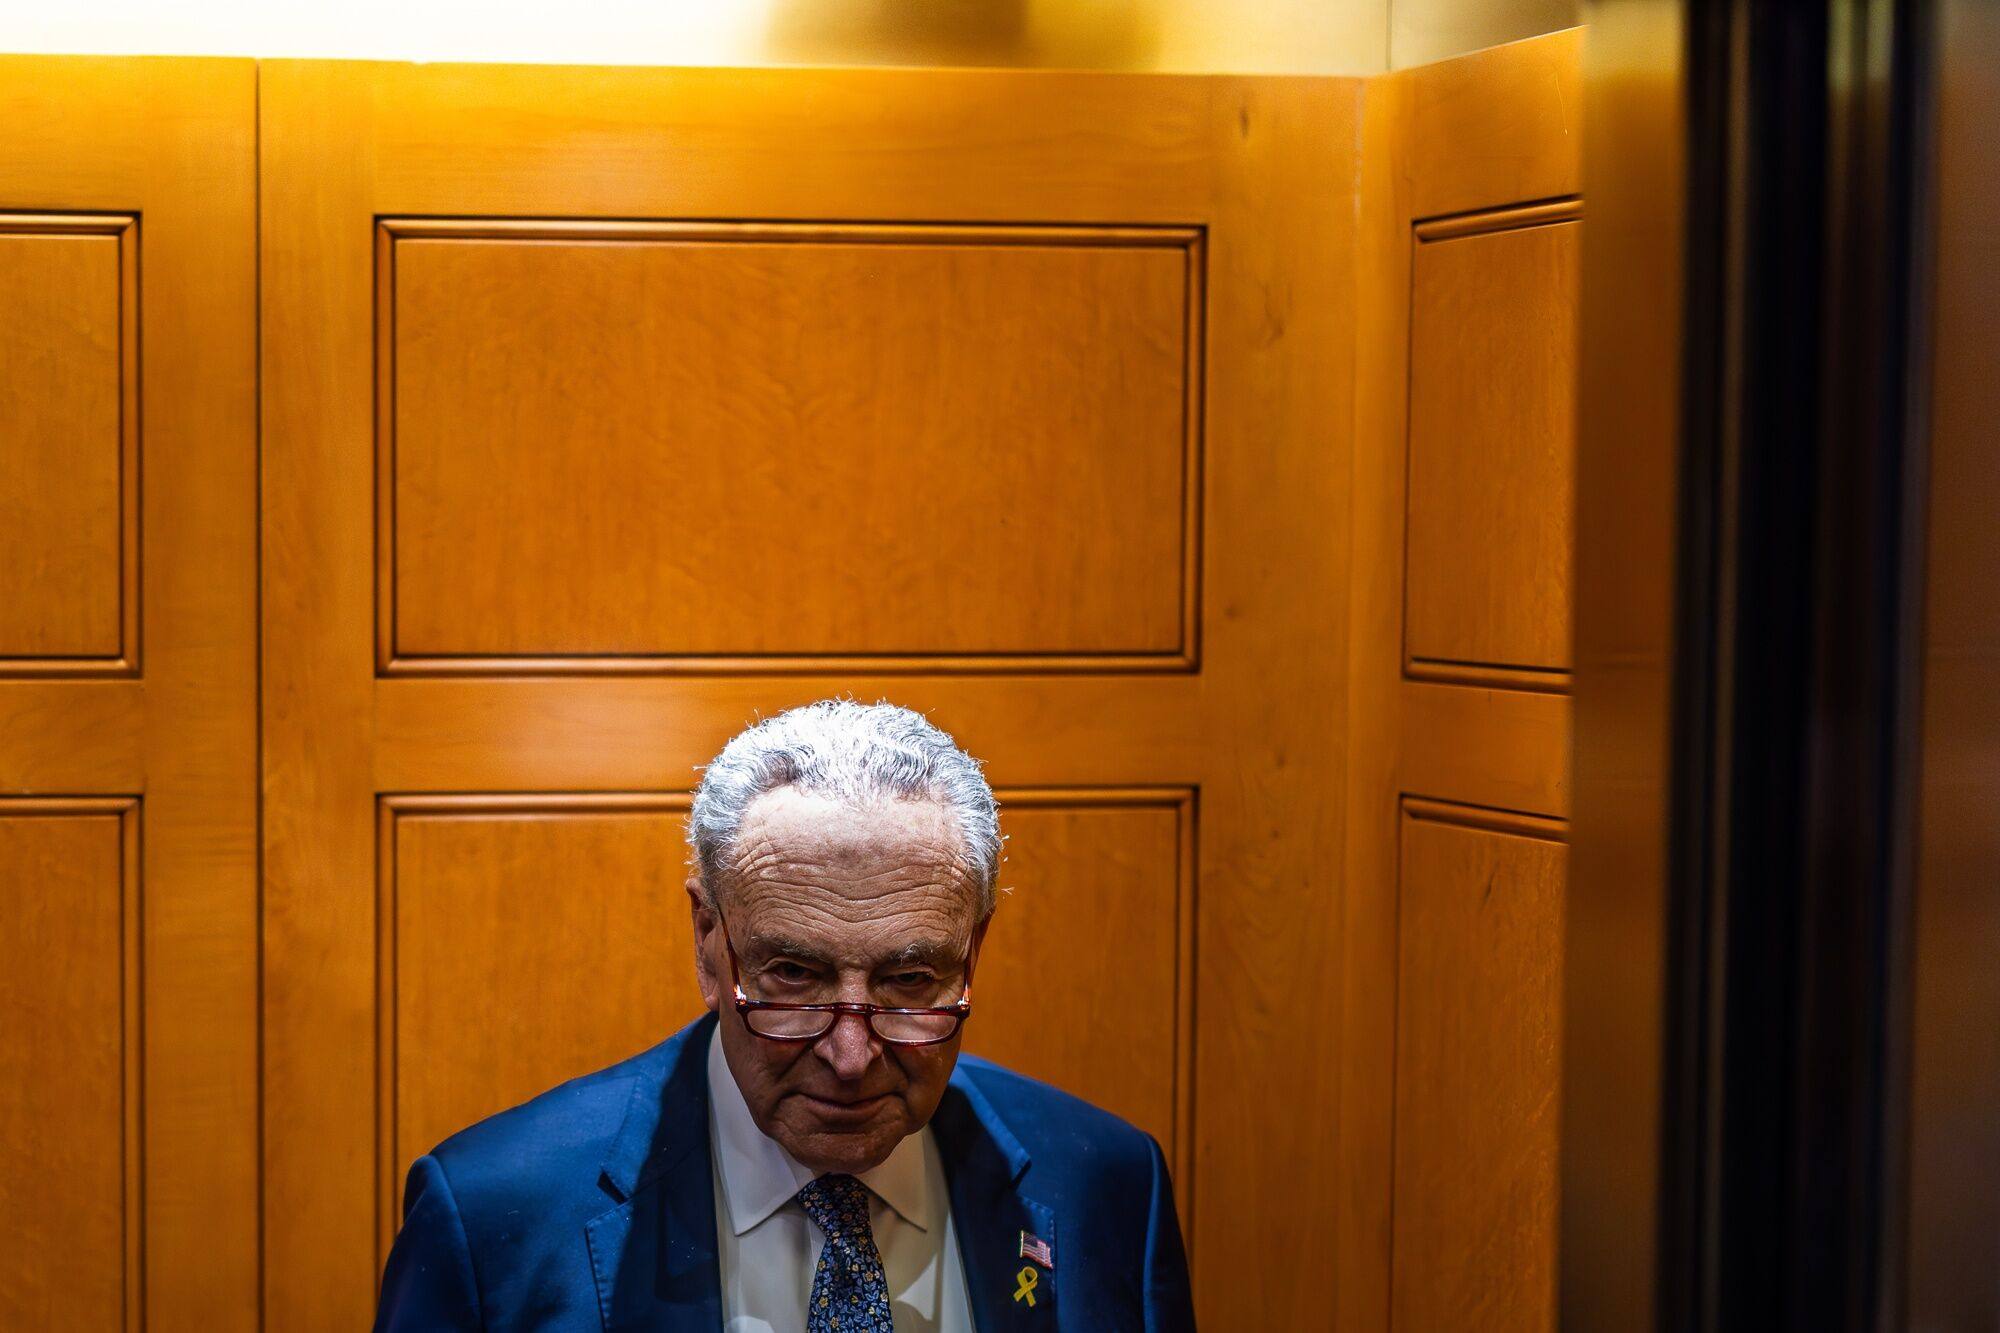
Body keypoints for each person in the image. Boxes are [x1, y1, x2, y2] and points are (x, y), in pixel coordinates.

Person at [375, 699, 1196, 1331]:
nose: (850, 1053)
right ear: (709, 940)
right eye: (794, 975)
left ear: (971, 953)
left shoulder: (1110, 1186)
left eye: (909, 979)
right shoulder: (491, 1220)